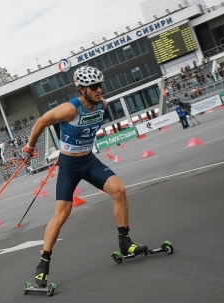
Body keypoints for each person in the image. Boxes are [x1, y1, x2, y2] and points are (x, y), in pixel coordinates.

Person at [22, 66, 148, 288]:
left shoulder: (103, 104)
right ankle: (43, 264)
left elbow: (100, 105)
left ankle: (125, 243)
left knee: (119, 191)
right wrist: (30, 147)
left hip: (89, 161)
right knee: (62, 214)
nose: (99, 90)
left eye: (100, 85)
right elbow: (41, 121)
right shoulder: (70, 109)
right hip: (70, 165)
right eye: (93, 87)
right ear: (82, 89)